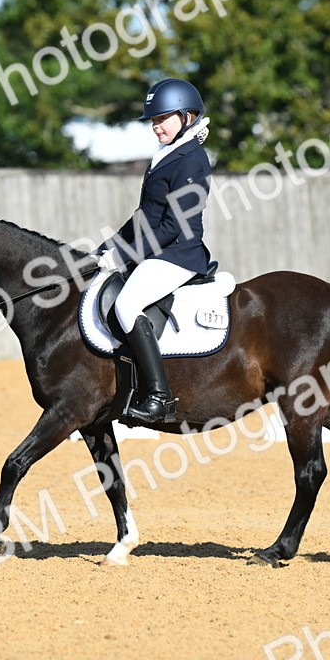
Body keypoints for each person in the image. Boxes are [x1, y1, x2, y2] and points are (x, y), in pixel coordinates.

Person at [96, 78, 213, 419]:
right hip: (159, 250)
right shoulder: (167, 155)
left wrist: (123, 255)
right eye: (153, 120)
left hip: (179, 253)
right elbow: (144, 218)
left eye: (162, 118)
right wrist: (107, 247)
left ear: (187, 116)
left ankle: (160, 398)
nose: (155, 126)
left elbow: (171, 226)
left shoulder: (193, 160)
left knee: (128, 303)